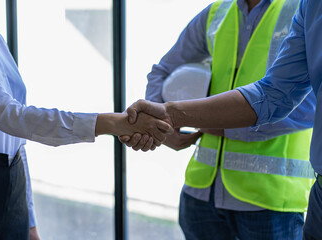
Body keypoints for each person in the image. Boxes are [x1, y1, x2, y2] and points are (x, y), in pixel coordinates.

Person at [0, 1, 173, 239]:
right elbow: (12, 116)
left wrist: (29, 218)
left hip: (14, 183)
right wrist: (114, 123)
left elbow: (16, 139)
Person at [126, 0, 322, 239]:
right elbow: (163, 70)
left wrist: (227, 128)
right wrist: (162, 124)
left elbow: (308, 106)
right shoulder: (217, 12)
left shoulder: (298, 7)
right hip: (201, 190)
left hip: (269, 199)